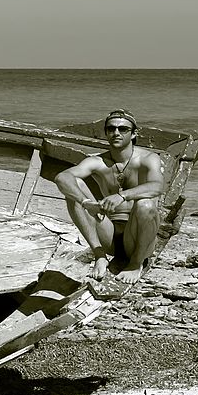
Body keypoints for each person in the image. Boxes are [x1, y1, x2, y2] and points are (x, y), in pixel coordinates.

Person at [54, 109, 165, 284]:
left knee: (145, 205)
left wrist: (122, 196)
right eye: (111, 129)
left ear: (134, 133)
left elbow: (158, 186)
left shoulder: (148, 159)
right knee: (74, 191)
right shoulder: (97, 162)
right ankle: (100, 256)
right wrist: (86, 202)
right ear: (106, 132)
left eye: (123, 129)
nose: (116, 133)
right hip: (109, 234)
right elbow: (62, 177)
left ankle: (136, 264)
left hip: (137, 235)